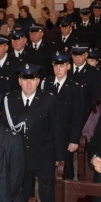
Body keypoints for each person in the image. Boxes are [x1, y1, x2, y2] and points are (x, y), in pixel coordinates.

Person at [1, 64, 63, 202]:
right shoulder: (10, 99)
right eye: (25, 80)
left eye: (32, 80)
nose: (28, 84)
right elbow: (6, 129)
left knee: (47, 193)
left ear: (38, 81)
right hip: (21, 156)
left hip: (44, 155)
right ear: (19, 81)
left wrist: (59, 156)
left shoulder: (49, 99)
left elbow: (57, 128)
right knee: (25, 192)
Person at [40, 51, 84, 179]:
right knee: (47, 168)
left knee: (66, 168)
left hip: (65, 134)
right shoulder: (46, 84)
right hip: (48, 134)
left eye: (62, 66)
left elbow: (77, 115)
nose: (58, 69)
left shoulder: (75, 87)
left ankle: (68, 189)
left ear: (68, 67)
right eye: (55, 66)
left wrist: (74, 139)